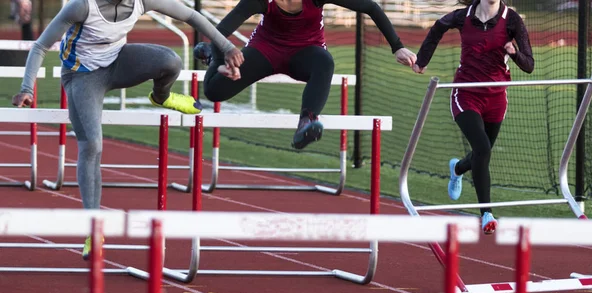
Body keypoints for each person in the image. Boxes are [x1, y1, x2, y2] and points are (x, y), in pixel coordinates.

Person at [11, 0, 244, 260]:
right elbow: (41, 45)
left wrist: (227, 46)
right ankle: (93, 228)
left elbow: (192, 15)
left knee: (170, 61)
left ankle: (161, 96)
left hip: (118, 62)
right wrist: (27, 88)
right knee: (92, 145)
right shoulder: (80, 7)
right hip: (82, 75)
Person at [193, 0, 417, 149]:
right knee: (214, 90)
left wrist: (397, 46)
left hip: (305, 51)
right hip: (266, 50)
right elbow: (220, 32)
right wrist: (221, 61)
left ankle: (306, 123)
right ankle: (210, 58)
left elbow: (371, 7)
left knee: (325, 62)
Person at [412, 0, 534, 234]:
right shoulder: (462, 16)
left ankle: (457, 168)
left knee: (482, 152)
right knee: (483, 149)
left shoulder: (512, 20)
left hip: (496, 98)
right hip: (466, 94)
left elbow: (530, 65)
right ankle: (486, 213)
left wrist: (514, 53)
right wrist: (421, 61)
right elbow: (438, 27)